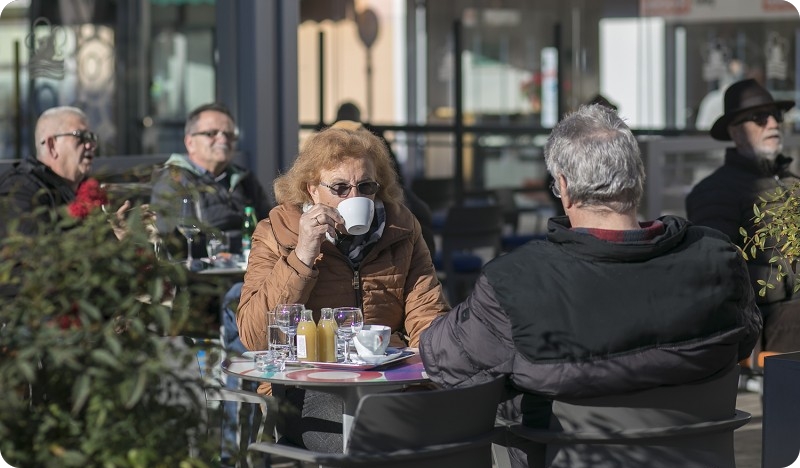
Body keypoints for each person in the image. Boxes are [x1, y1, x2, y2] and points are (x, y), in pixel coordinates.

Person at [420, 104, 762, 468]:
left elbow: (447, 363)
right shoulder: (718, 260)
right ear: (638, 177)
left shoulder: (517, 282)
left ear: (563, 187)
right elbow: (744, 339)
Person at [237, 124, 449, 451]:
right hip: (305, 385)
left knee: (454, 425)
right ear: (311, 190)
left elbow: (427, 315)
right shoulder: (277, 232)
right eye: (340, 187)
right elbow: (254, 336)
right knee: (362, 442)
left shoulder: (402, 229)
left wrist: (422, 378)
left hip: (387, 377)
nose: (356, 197)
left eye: (366, 186)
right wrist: (304, 253)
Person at [686, 78, 799, 355]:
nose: (773, 123)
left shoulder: (793, 182)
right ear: (736, 133)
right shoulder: (715, 191)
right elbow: (718, 273)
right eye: (760, 118)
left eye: (776, 115)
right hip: (770, 323)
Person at [149, 102, 272, 256]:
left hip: (250, 268)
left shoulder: (245, 179)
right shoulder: (174, 179)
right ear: (190, 142)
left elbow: (271, 227)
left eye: (229, 135)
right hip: (204, 273)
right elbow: (172, 241)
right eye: (211, 133)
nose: (222, 140)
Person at [333, 101, 437, 255]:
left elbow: (424, 262)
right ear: (313, 187)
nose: (353, 193)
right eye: (340, 186)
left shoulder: (402, 215)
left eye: (365, 185)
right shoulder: (299, 223)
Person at [0, 106, 100, 236]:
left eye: (91, 137)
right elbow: (36, 249)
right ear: (52, 145)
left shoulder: (89, 190)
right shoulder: (21, 189)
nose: (90, 145)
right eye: (80, 136)